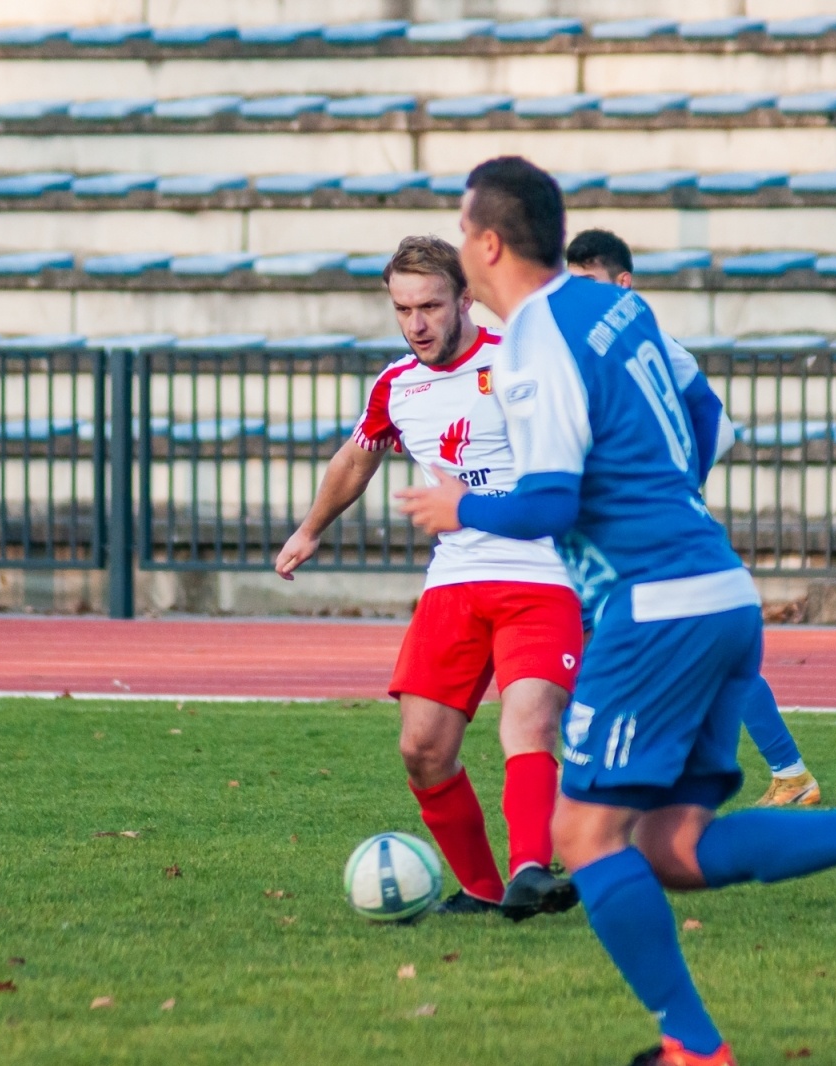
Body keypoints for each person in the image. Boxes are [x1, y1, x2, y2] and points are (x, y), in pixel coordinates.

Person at [397, 158, 836, 1066]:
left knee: (581, 836)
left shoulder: (538, 343)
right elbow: (702, 410)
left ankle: (695, 1047)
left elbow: (545, 504)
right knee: (670, 846)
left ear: (489, 242)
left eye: (464, 230)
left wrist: (455, 506)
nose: (460, 243)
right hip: (719, 592)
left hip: (652, 608)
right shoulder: (614, 306)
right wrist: (670, 500)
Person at [275, 235, 583, 921]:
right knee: (422, 750)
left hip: (540, 577)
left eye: (431, 306)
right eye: (403, 309)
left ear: (466, 299)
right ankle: (481, 890)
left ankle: (531, 871)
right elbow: (356, 459)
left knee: (527, 722)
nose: (417, 324)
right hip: (454, 585)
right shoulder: (397, 385)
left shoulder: (520, 364)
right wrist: (311, 528)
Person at [565, 227, 822, 809]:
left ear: (622, 283)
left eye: (589, 282)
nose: (576, 295)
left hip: (650, 529)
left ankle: (779, 771)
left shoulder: (642, 337)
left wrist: (677, 487)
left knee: (675, 641)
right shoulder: (600, 339)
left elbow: (718, 423)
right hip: (610, 531)